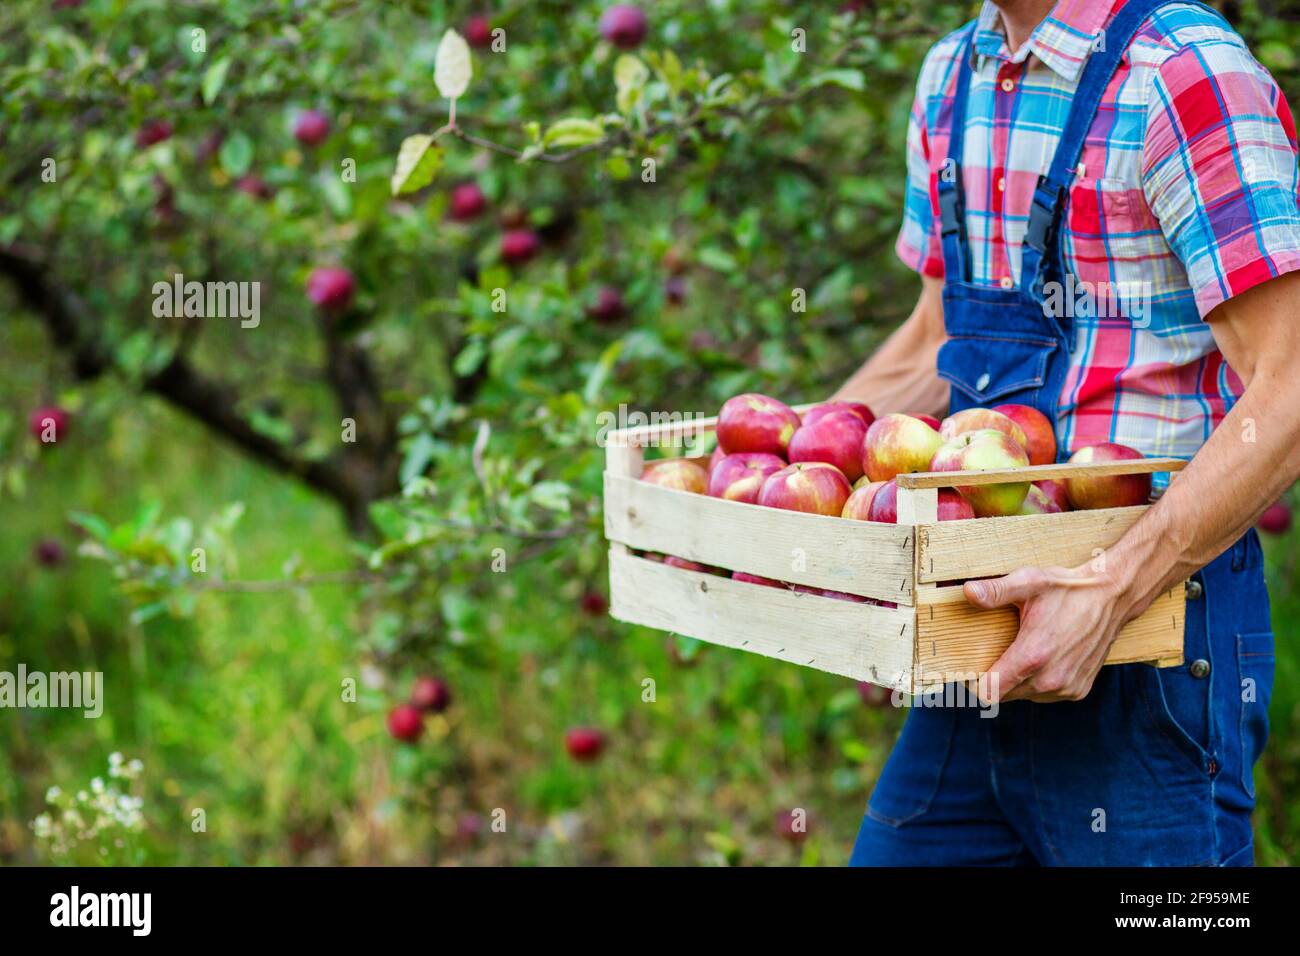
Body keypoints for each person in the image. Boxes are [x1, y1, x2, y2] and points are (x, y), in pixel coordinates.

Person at [835, 0, 1300, 865]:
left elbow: (1292, 382)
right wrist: (795, 459)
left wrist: (1110, 590)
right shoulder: (952, 75)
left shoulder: (1182, 72)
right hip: (976, 634)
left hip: (1155, 638)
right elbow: (936, 335)